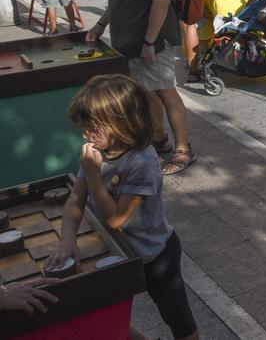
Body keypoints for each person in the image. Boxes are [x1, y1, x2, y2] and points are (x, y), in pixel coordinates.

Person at [48, 75, 198, 340]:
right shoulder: (96, 151)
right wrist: (66, 241)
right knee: (106, 316)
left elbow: (117, 219)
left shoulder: (142, 162)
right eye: (85, 126)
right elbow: (75, 199)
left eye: (93, 127)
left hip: (156, 256)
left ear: (121, 123)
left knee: (177, 317)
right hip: (121, 252)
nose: (86, 134)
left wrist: (94, 175)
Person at [87, 0, 194, 175]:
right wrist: (100, 24)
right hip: (131, 40)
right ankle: (157, 138)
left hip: (154, 41)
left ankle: (182, 149)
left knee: (165, 92)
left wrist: (149, 42)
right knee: (146, 94)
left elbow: (160, 2)